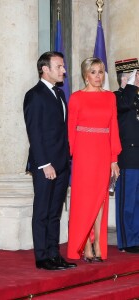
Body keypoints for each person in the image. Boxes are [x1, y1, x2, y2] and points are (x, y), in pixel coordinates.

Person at [23, 51, 76, 270]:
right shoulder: (34, 95)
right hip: (46, 165)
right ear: (45, 69)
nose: (64, 70)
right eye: (59, 66)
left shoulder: (60, 94)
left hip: (62, 162)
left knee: (55, 212)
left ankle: (54, 254)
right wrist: (45, 164)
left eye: (63, 66)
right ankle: (42, 257)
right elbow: (34, 132)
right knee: (43, 211)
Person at [67, 57, 121, 262]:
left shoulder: (110, 98)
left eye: (100, 72)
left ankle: (97, 241)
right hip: (83, 153)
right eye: (93, 72)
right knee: (84, 200)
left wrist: (113, 158)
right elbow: (71, 130)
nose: (98, 76)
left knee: (100, 200)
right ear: (85, 75)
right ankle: (85, 244)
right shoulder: (76, 98)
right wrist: (70, 157)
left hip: (103, 152)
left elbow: (114, 128)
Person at [114, 58, 139, 253]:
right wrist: (129, 86)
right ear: (125, 78)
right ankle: (128, 241)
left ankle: (137, 237)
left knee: (137, 201)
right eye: (136, 76)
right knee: (127, 202)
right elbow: (124, 106)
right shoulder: (117, 97)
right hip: (127, 156)